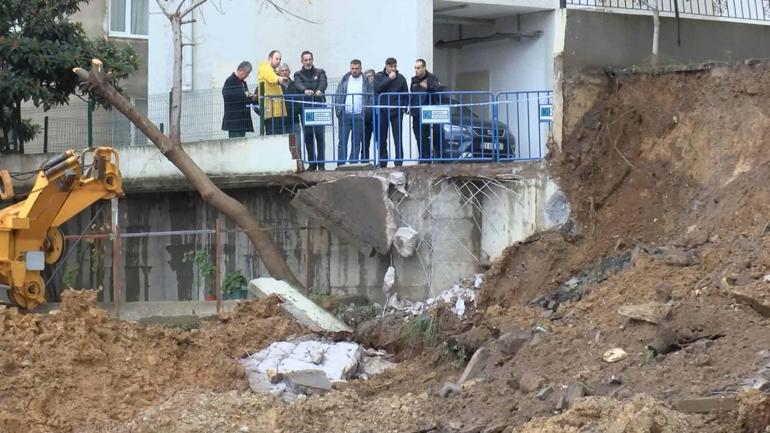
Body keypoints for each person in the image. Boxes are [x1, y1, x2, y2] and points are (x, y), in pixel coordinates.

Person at [294, 51, 328, 171]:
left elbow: (323, 82)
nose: (308, 62)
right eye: (306, 60)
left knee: (320, 136)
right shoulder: (298, 74)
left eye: (310, 59)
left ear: (312, 60)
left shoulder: (320, 72)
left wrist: (319, 90)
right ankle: (312, 164)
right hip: (306, 110)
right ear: (302, 61)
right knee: (308, 137)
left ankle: (321, 164)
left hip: (319, 108)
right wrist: (305, 90)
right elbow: (297, 84)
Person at [334, 59, 371, 165]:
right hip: (345, 115)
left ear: (361, 69)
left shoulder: (365, 81)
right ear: (350, 68)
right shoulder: (345, 79)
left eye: (357, 69)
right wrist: (339, 112)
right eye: (352, 68)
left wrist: (365, 112)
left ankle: (353, 164)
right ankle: (341, 164)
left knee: (356, 142)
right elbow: (338, 95)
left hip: (359, 115)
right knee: (342, 142)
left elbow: (369, 97)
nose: (354, 71)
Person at [374, 57, 408, 168]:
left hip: (396, 111)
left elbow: (405, 93)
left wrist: (404, 107)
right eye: (391, 66)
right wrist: (389, 79)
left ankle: (399, 162)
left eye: (395, 66)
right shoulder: (379, 76)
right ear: (386, 66)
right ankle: (383, 161)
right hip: (383, 110)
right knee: (382, 137)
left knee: (398, 137)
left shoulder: (401, 78)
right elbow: (377, 89)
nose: (393, 69)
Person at [410, 59, 441, 162]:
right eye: (415, 68)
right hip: (416, 111)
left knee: (425, 136)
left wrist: (428, 87)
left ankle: (426, 159)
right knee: (418, 135)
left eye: (418, 68)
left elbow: (437, 89)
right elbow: (412, 94)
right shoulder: (414, 80)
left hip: (427, 112)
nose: (416, 70)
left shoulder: (432, 78)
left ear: (424, 67)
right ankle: (422, 157)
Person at [221, 61, 256, 138]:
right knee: (235, 145)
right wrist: (245, 94)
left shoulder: (242, 83)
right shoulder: (230, 81)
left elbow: (244, 98)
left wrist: (251, 97)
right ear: (240, 70)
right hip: (234, 121)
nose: (247, 76)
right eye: (246, 73)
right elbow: (227, 95)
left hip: (242, 120)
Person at [258, 50, 288, 135]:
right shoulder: (264, 67)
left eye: (280, 59)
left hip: (278, 111)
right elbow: (270, 77)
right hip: (271, 111)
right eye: (276, 59)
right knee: (272, 138)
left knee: (279, 138)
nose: (278, 61)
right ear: (270, 58)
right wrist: (279, 79)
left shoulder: (275, 71)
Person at [278, 63, 302, 135]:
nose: (284, 72)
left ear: (289, 72)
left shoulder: (296, 85)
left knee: (296, 145)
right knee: (282, 145)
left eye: (286, 70)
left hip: (294, 120)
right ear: (279, 73)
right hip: (280, 122)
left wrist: (297, 110)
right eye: (282, 71)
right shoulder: (275, 86)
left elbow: (300, 100)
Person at [361, 69, 376, 162]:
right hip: (365, 116)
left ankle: (381, 161)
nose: (368, 78)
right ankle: (364, 160)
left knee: (379, 140)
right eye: (366, 76)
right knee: (365, 141)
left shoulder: (376, 85)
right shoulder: (363, 86)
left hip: (375, 115)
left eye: (370, 76)